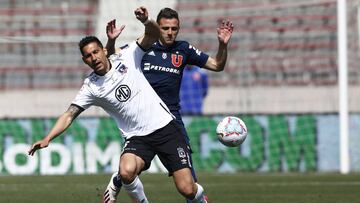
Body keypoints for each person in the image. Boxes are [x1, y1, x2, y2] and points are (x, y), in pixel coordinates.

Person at [27, 6, 208, 203]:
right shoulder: (91, 87)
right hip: (137, 137)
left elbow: (154, 34)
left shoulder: (129, 56)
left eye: (96, 52)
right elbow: (69, 114)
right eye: (88, 56)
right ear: (84, 60)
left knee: (187, 190)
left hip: (165, 127)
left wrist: (146, 21)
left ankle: (200, 198)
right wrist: (48, 138)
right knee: (127, 171)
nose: (94, 58)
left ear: (104, 50)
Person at [105, 7, 233, 203]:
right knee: (129, 169)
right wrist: (112, 40)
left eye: (174, 28)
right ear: (158, 27)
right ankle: (120, 177)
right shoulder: (143, 48)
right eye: (165, 28)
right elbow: (111, 56)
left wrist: (222, 45)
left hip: (172, 122)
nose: (170, 32)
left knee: (188, 187)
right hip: (143, 122)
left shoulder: (183, 50)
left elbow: (217, 65)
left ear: (179, 28)